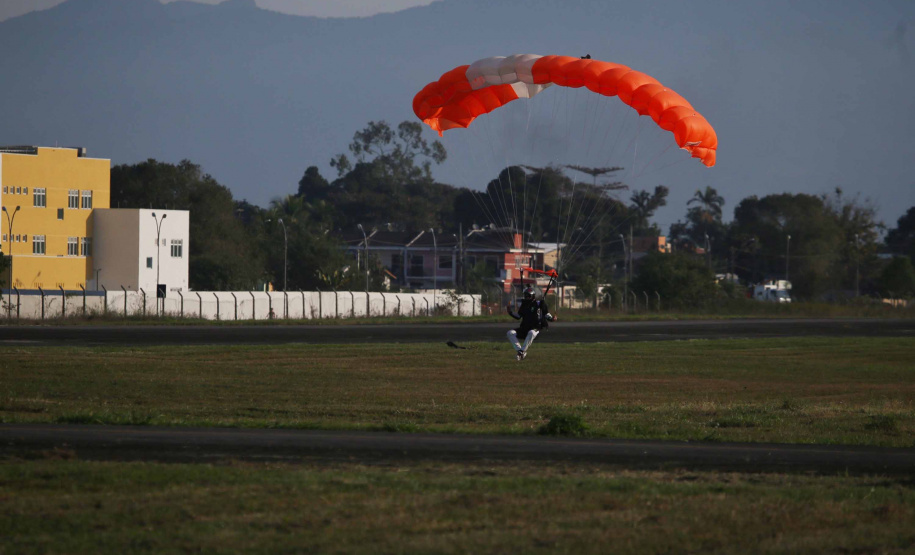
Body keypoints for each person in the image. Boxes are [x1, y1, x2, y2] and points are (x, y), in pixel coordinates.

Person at [506, 286, 556, 361]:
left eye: (528, 296)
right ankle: (521, 352)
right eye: (525, 296)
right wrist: (510, 312)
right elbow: (519, 316)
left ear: (532, 296)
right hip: (524, 328)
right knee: (510, 333)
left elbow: (546, 314)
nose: (526, 298)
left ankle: (521, 352)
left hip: (535, 328)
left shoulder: (539, 304)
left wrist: (552, 319)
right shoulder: (524, 305)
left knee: (531, 332)